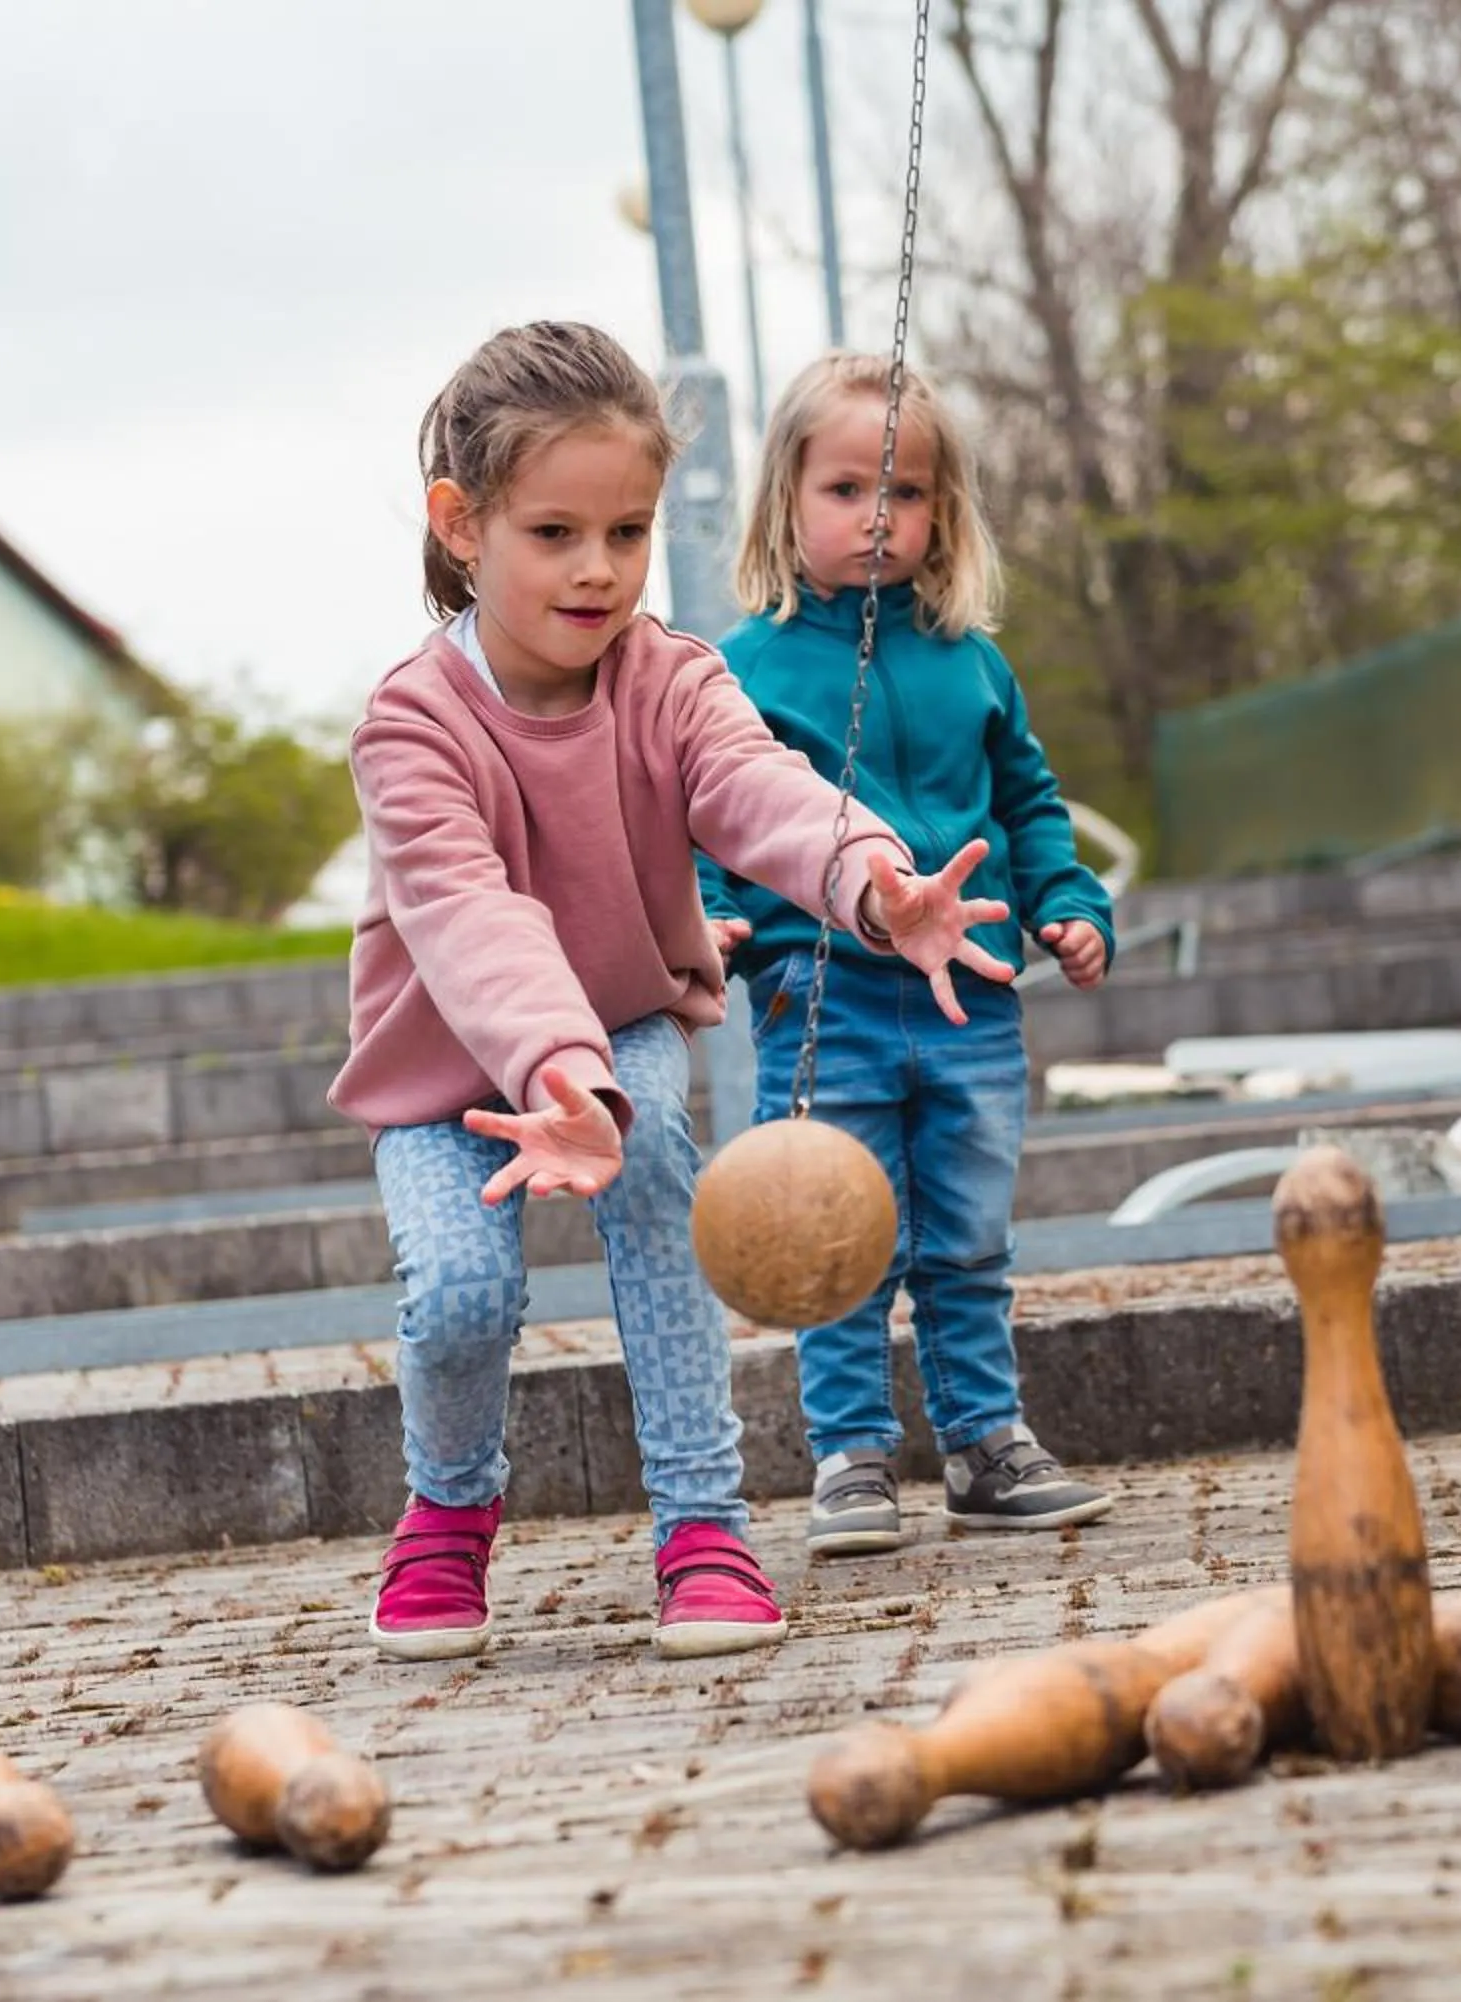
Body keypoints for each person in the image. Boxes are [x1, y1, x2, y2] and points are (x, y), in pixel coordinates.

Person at [329, 322, 1018, 1659]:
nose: (598, 568)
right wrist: (555, 1072)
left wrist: (876, 878)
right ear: (461, 525)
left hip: (622, 1023)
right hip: (445, 1073)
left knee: (650, 1177)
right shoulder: (411, 723)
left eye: (627, 531)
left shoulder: (673, 679)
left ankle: (703, 1527)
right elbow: (472, 919)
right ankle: (449, 1509)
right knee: (459, 1298)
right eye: (554, 533)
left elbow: (761, 791)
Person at [702, 351, 1121, 1557]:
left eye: (907, 491)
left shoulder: (972, 660)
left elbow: (1029, 801)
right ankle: (850, 1457)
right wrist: (708, 911)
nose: (878, 515)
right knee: (832, 1233)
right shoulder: (745, 667)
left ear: (946, 509)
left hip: (972, 996)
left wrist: (1069, 898)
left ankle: (986, 1444)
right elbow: (710, 810)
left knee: (969, 1236)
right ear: (786, 499)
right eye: (845, 489)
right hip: (820, 996)